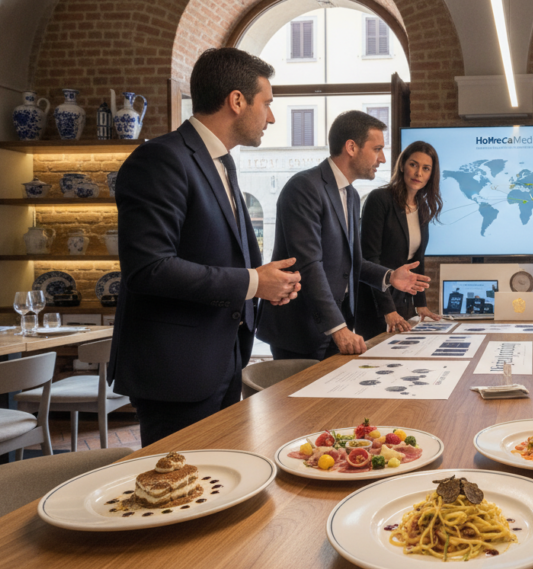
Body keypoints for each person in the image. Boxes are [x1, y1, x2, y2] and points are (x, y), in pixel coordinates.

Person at [108, 48, 302, 447]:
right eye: (266, 103)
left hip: (222, 360)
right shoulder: (160, 160)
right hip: (176, 371)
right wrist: (251, 282)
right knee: (179, 497)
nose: (271, 116)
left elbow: (220, 254)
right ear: (236, 101)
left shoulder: (223, 162)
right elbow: (149, 269)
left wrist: (268, 285)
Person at [257, 110, 430, 359]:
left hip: (338, 325)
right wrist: (338, 329)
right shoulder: (305, 187)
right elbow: (309, 265)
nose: (382, 158)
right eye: (377, 148)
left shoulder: (351, 195)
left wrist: (390, 276)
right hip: (301, 330)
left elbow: (353, 262)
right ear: (351, 147)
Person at [356, 141, 444, 340]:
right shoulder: (379, 200)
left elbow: (417, 260)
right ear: (403, 165)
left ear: (431, 174)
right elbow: (370, 259)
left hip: (405, 303)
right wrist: (389, 310)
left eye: (426, 168)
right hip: (377, 303)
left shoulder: (422, 207)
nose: (418, 173)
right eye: (413, 164)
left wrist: (421, 304)